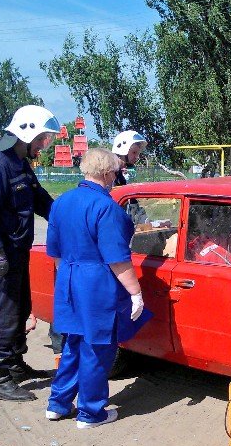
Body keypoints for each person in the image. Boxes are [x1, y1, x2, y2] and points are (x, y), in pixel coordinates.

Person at [45, 147, 151, 428]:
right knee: (97, 347)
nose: (116, 177)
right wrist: (136, 293)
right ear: (106, 174)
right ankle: (91, 413)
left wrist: (69, 279)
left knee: (74, 344)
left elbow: (54, 251)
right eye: (115, 173)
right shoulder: (106, 208)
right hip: (96, 284)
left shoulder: (62, 202)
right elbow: (118, 259)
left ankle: (58, 403)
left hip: (68, 277)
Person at [0, 105, 61, 402]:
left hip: (18, 250)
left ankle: (15, 365)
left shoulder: (22, 164)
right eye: (41, 139)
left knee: (22, 308)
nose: (43, 145)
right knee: (5, 314)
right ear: (26, 133)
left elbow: (42, 201)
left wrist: (68, 216)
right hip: (1, 253)